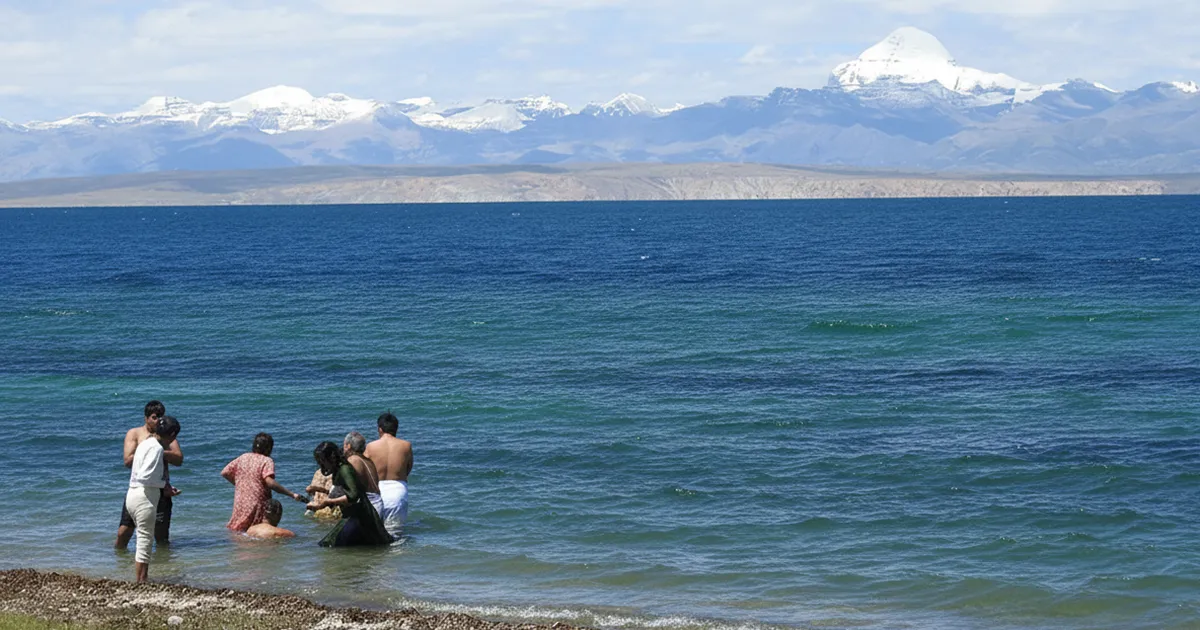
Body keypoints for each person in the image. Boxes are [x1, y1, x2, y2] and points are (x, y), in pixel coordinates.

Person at [116, 401, 183, 549]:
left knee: (161, 536)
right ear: (146, 418)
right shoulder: (135, 433)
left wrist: (159, 452)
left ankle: (164, 565)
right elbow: (127, 460)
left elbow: (178, 459)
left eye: (160, 417)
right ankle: (118, 564)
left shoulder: (166, 435)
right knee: (124, 532)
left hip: (162, 488)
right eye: (154, 417)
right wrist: (149, 450)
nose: (158, 420)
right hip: (139, 487)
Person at [125, 415, 180, 583]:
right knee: (145, 539)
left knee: (143, 538)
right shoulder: (157, 448)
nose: (175, 439)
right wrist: (166, 487)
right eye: (174, 435)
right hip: (145, 497)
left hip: (132, 493)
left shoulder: (145, 444)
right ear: (170, 435)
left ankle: (142, 578)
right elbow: (146, 476)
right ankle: (142, 579)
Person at [307, 441, 392, 547]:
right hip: (352, 515)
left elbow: (353, 496)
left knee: (332, 545)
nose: (320, 464)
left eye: (322, 460)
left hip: (360, 517)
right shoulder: (339, 469)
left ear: (332, 458)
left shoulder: (345, 469)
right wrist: (318, 489)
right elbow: (341, 490)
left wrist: (326, 502)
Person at [220, 433, 306, 532]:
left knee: (239, 528)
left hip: (241, 500)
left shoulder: (243, 457)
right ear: (269, 448)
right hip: (257, 500)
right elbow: (270, 482)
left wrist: (241, 485)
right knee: (255, 530)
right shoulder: (266, 461)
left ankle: (236, 546)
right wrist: (291, 494)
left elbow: (225, 472)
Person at [364, 411, 412, 535]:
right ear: (396, 428)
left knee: (373, 533)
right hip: (397, 491)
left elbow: (364, 471)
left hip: (376, 492)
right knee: (395, 535)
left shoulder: (370, 447)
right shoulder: (406, 446)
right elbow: (408, 468)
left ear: (380, 429)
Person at [343, 431, 382, 517]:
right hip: (377, 501)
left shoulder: (353, 460)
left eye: (344, 445)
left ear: (348, 446)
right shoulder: (367, 460)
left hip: (368, 504)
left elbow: (352, 489)